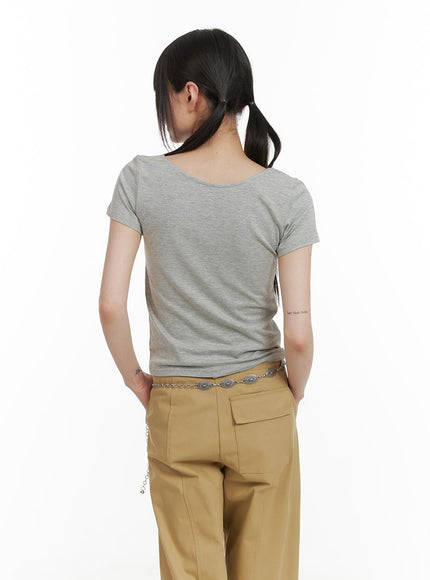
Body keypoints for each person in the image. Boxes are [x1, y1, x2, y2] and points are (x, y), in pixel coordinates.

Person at [99, 27, 320, 580]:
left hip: (179, 407)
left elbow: (110, 305)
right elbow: (298, 334)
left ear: (190, 93)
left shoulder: (141, 179)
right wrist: (289, 396)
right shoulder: (287, 195)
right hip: (263, 404)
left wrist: (136, 381)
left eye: (166, 97)